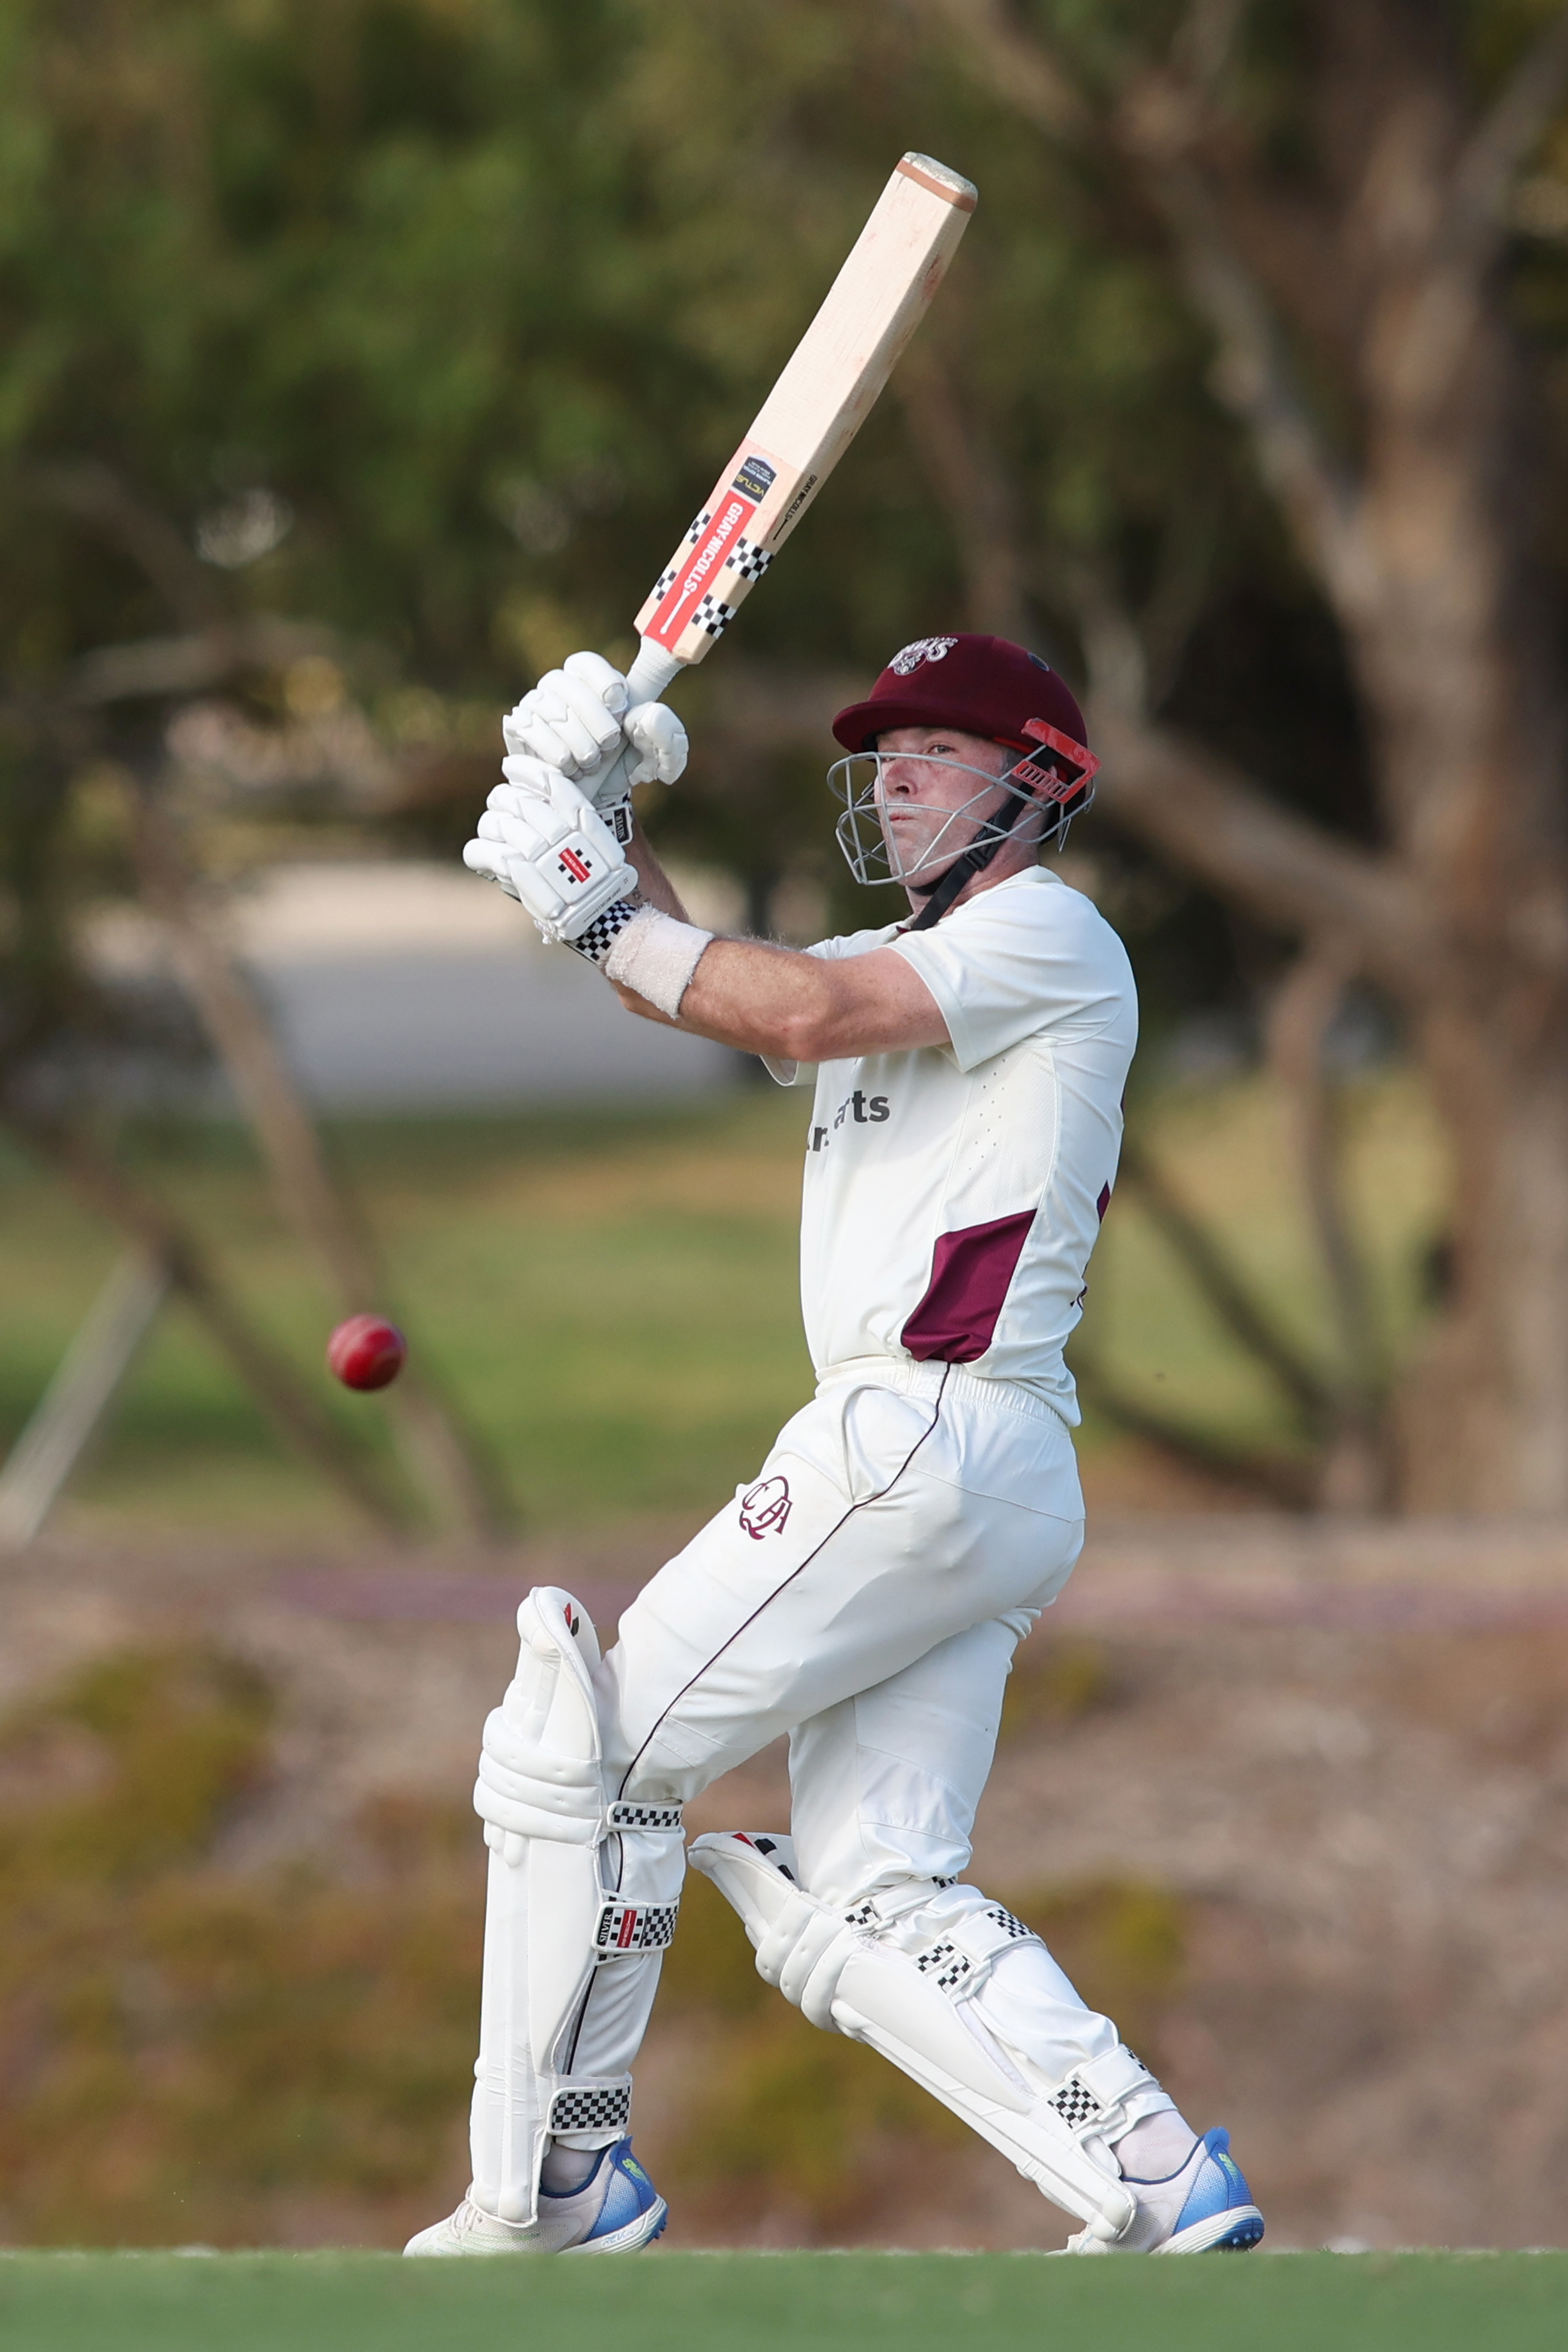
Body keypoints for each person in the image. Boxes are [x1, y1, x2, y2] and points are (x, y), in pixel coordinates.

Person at [405, 632, 1264, 2259]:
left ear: (1042, 784)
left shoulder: (1046, 932)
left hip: (918, 1433)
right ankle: (1147, 2175)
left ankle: (552, 2187)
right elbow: (726, 981)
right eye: (883, 752)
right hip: (983, 1469)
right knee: (871, 1891)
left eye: (938, 750)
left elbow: (793, 1011)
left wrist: (597, 898)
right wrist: (591, 821)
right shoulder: (906, 957)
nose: (897, 777)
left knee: (582, 1757)